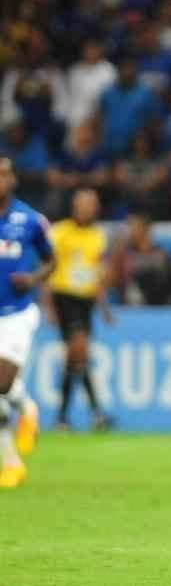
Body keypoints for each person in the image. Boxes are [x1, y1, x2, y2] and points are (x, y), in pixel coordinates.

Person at [0, 157, 55, 488]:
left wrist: (33, 278)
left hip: (17, 314)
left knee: (1, 383)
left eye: (4, 174)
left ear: (13, 179)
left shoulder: (30, 220)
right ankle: (11, 462)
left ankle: (23, 405)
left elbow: (52, 261)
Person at [45, 188, 114, 430]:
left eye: (92, 204)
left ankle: (62, 418)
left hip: (86, 301)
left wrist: (104, 307)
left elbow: (98, 274)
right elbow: (48, 268)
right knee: (80, 350)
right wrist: (48, 304)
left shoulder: (98, 236)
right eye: (84, 203)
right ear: (75, 206)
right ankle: (96, 413)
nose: (88, 208)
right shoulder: (59, 232)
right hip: (65, 297)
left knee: (74, 359)